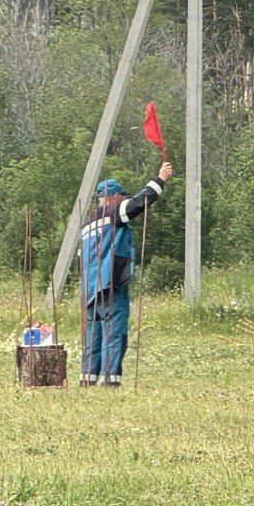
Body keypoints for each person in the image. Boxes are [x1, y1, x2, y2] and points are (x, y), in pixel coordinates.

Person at [79, 163, 172, 386]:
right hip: (110, 286)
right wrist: (160, 179)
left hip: (89, 290)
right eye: (120, 196)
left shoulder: (87, 224)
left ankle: (87, 379)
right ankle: (110, 380)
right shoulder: (113, 214)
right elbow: (140, 202)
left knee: (92, 338)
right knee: (114, 335)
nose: (122, 199)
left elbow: (79, 260)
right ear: (112, 197)